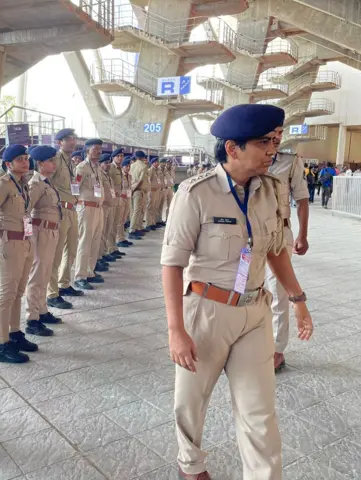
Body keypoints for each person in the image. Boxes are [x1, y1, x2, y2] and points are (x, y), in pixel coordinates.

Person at [162, 104, 313, 480]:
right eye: (264, 142)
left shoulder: (273, 191)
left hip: (255, 312)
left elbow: (276, 250)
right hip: (207, 311)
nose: (272, 150)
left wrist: (297, 300)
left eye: (275, 141)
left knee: (260, 410)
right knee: (191, 401)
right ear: (233, 148)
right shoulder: (195, 193)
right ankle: (191, 466)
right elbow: (172, 263)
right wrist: (175, 330)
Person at [0, 144, 52, 365]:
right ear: (8, 164)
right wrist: (2, 231)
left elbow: (25, 213)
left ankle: (14, 333)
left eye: (25, 158)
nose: (25, 161)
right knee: (6, 294)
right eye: (19, 159)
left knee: (18, 291)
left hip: (25, 242)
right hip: (9, 244)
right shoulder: (3, 184)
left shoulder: (23, 184)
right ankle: (1, 344)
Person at [267, 130, 311, 372]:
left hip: (278, 234)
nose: (275, 139)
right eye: (270, 134)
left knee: (276, 291)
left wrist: (303, 234)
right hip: (247, 236)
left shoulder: (289, 161)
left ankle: (276, 349)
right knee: (245, 288)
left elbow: (302, 199)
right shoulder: (248, 157)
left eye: (279, 134)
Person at [25, 145, 63, 329]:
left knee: (46, 273)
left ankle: (42, 310)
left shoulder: (47, 182)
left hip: (50, 232)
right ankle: (32, 317)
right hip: (40, 233)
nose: (54, 163)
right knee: (37, 274)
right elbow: (25, 210)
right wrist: (28, 236)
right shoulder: (35, 183)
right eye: (50, 160)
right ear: (40, 163)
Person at [46, 129, 82, 311]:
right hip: (60, 210)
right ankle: (52, 293)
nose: (73, 142)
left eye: (74, 139)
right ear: (59, 142)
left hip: (72, 209)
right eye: (69, 139)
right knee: (56, 253)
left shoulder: (70, 162)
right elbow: (47, 183)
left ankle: (64, 283)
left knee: (72, 249)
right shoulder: (56, 160)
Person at [74, 138, 106, 290]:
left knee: (95, 241)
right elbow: (75, 188)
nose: (98, 151)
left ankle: (89, 271)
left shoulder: (97, 167)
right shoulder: (82, 167)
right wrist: (76, 204)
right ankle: (80, 275)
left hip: (98, 207)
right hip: (86, 208)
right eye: (95, 149)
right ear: (87, 150)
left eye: (100, 149)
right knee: (85, 241)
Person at [97, 153, 122, 265]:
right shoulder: (100, 176)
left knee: (107, 230)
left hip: (110, 205)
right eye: (105, 163)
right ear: (100, 164)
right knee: (101, 232)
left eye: (108, 163)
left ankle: (104, 252)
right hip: (103, 206)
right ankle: (98, 256)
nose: (108, 165)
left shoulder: (108, 176)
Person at [110, 149, 132, 249]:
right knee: (115, 222)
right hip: (115, 199)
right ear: (113, 157)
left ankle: (118, 241)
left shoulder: (118, 168)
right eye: (118, 156)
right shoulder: (111, 168)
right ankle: (115, 243)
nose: (120, 157)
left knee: (121, 219)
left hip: (124, 198)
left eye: (122, 156)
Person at [129, 151, 149, 239]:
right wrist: (134, 189)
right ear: (143, 157)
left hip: (132, 189)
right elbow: (140, 180)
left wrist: (131, 189)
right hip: (138, 190)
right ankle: (132, 230)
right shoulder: (144, 166)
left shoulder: (132, 165)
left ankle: (137, 227)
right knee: (137, 210)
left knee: (135, 210)